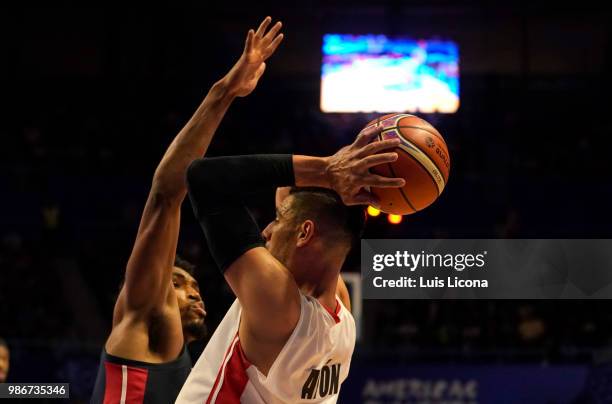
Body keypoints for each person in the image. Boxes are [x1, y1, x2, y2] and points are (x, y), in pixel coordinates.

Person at [90, 16, 285, 404]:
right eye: (177, 284)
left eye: (192, 284)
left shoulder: (197, 382)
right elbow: (165, 196)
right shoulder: (145, 322)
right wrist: (224, 92)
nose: (193, 292)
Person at [177, 124, 405, 401]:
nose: (266, 231)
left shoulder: (278, 301)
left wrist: (326, 169)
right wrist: (340, 173)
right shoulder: (341, 306)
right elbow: (291, 193)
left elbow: (205, 177)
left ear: (304, 232)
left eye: (278, 218)